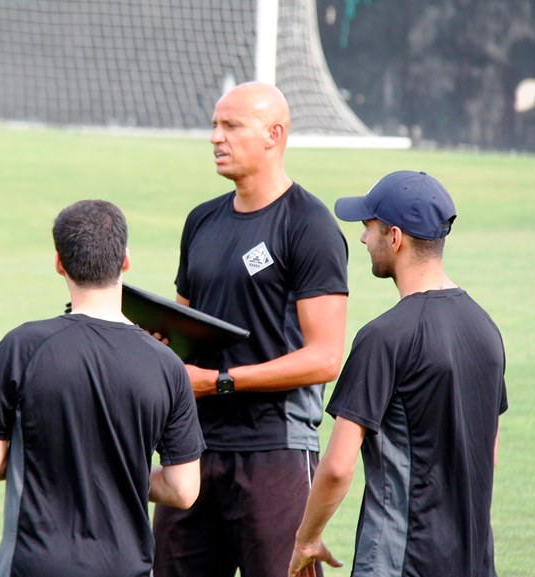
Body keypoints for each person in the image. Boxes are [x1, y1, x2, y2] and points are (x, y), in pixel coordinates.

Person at [152, 81, 349, 577]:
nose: (216, 137)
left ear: (273, 134)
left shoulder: (309, 225)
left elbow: (325, 358)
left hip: (274, 452)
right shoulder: (201, 221)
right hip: (192, 451)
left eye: (231, 126)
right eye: (214, 125)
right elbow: (182, 331)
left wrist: (220, 382)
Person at [0, 200, 205, 577]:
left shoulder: (23, 346)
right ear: (125, 260)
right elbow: (183, 490)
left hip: (35, 565)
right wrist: (114, 472)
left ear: (60, 262)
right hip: (128, 568)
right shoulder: (167, 365)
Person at [288, 170, 508, 577]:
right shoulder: (485, 328)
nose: (362, 239)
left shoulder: (383, 338)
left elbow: (337, 467)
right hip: (475, 562)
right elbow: (487, 451)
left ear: (395, 237)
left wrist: (307, 538)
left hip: (400, 561)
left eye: (368, 227)